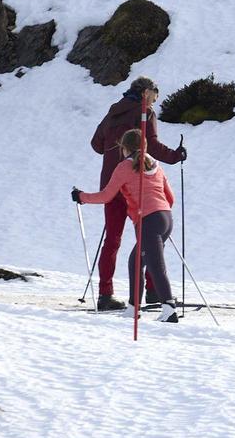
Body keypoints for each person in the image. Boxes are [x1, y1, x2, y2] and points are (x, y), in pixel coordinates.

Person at [88, 76, 184, 312]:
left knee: (112, 239)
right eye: (154, 95)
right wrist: (175, 156)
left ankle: (105, 293)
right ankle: (153, 291)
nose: (154, 101)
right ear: (145, 92)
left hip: (111, 182)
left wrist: (115, 152)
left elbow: (96, 144)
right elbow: (151, 145)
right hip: (136, 183)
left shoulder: (113, 111)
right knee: (150, 237)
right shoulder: (145, 113)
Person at [73, 128, 180, 322]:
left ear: (124, 148)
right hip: (165, 218)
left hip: (149, 221)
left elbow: (106, 196)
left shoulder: (124, 167)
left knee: (155, 265)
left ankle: (169, 309)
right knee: (136, 262)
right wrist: (159, 215)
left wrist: (81, 197)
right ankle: (133, 308)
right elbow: (170, 197)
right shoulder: (155, 164)